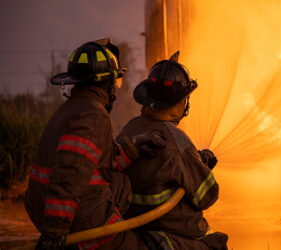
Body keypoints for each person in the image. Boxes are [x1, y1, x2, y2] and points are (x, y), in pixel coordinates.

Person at [25, 38, 165, 250]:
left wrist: (135, 145)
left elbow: (99, 160)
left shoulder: (73, 108)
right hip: (80, 220)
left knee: (121, 184)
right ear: (107, 83)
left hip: (44, 209)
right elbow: (70, 174)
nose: (117, 89)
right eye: (116, 82)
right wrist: (55, 230)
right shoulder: (93, 116)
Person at [118, 52, 228, 250]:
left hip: (135, 229)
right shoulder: (177, 140)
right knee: (216, 244)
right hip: (171, 231)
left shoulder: (130, 128)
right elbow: (207, 195)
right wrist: (204, 168)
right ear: (181, 102)